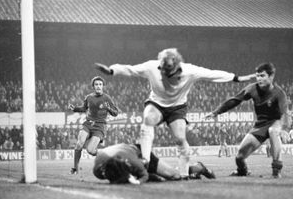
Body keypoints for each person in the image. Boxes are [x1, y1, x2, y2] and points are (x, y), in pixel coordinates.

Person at [95, 48, 255, 178]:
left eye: (169, 73)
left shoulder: (190, 71)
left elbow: (212, 74)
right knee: (148, 118)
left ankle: (186, 173)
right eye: (163, 71)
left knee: (180, 138)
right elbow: (130, 69)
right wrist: (111, 70)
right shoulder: (152, 67)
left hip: (177, 108)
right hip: (157, 103)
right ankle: (146, 159)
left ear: (177, 67)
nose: (165, 75)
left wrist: (236, 78)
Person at [205, 63, 291, 178]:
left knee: (273, 131)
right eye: (257, 76)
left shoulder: (279, 93)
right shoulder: (252, 88)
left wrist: (284, 129)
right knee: (239, 157)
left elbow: (285, 113)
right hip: (260, 126)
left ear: (271, 76)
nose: (259, 79)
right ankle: (242, 171)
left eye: (262, 76)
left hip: (275, 122)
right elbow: (235, 100)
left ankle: (276, 171)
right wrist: (216, 112)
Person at [93, 143, 215, 184]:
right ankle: (156, 176)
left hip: (140, 152)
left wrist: (137, 181)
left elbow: (143, 175)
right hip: (123, 153)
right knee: (158, 178)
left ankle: (199, 167)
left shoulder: (134, 162)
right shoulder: (97, 171)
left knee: (175, 176)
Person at [68, 76, 119, 174]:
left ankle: (105, 155)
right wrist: (74, 108)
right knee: (79, 144)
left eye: (100, 84)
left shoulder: (107, 98)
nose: (98, 86)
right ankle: (75, 168)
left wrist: (109, 109)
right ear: (93, 86)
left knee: (90, 151)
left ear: (103, 86)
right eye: (96, 84)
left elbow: (116, 113)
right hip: (88, 123)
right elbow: (84, 108)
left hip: (100, 126)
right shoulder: (89, 97)